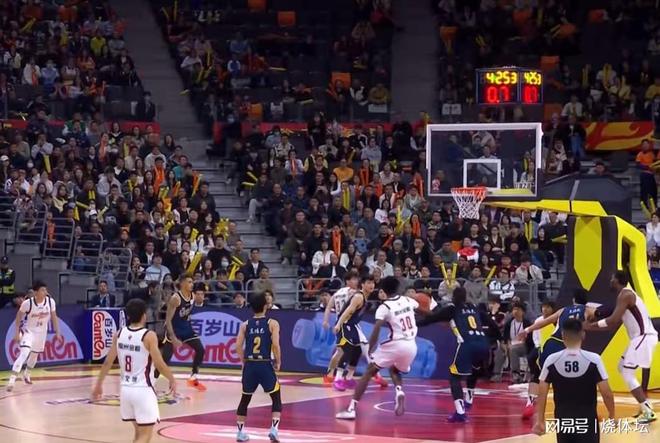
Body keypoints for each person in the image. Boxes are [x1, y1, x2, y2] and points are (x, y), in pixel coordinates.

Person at [92, 299, 177, 443]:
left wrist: (98, 385)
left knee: (139, 434)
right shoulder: (149, 335)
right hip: (143, 390)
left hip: (126, 391)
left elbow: (107, 362)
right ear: (144, 315)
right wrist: (172, 379)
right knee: (145, 436)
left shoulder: (119, 334)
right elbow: (159, 364)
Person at [336, 276, 418, 420]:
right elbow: (421, 309)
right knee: (395, 369)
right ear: (398, 288)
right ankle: (399, 391)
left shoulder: (384, 307)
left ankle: (351, 409)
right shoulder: (408, 300)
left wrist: (370, 348)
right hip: (412, 345)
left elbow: (377, 329)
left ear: (383, 290)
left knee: (368, 372)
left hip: (395, 344)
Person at [417, 286, 501, 422]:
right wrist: (498, 338)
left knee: (454, 377)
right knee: (474, 370)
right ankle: (469, 399)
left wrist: (414, 324)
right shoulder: (474, 308)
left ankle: (460, 412)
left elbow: (432, 319)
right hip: (483, 345)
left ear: (453, 298)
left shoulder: (452, 309)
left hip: (467, 344)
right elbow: (492, 323)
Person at [586, 271, 658, 424]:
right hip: (639, 338)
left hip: (643, 336)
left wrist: (590, 325)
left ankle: (648, 411)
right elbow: (613, 325)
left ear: (617, 280)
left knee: (627, 372)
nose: (610, 281)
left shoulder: (626, 294)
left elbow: (612, 320)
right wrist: (590, 327)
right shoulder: (623, 298)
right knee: (622, 367)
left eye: (612, 278)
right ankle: (646, 406)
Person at [533, 319, 615, 443]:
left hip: (563, 421)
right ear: (583, 335)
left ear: (562, 335)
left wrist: (540, 420)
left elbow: (542, 392)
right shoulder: (594, 359)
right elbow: (606, 392)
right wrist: (612, 415)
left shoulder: (551, 360)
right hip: (587, 421)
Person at [518, 289, 595, 417]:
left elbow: (544, 322)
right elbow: (600, 313)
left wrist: (527, 330)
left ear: (573, 299)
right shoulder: (587, 310)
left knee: (539, 376)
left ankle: (530, 403)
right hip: (567, 346)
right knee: (570, 379)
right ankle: (578, 410)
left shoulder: (563, 310)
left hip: (551, 343)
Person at [235, 292, 282, 443]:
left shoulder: (245, 324)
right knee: (276, 397)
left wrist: (243, 361)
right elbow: (276, 345)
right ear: (265, 306)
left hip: (250, 364)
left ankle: (240, 432)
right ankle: (274, 429)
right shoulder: (272, 323)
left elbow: (237, 346)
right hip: (264, 363)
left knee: (245, 398)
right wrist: (278, 361)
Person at [7, 281, 61, 391]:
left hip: (41, 332)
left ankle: (27, 374)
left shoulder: (50, 302)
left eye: (46, 290)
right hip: (29, 331)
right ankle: (12, 380)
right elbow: (18, 317)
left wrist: (57, 332)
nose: (46, 292)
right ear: (36, 292)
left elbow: (54, 317)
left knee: (34, 355)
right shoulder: (28, 303)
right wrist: (16, 333)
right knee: (24, 353)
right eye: (43, 290)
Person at [158, 275, 207, 391]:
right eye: (189, 282)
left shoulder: (192, 296)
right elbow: (168, 320)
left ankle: (193, 377)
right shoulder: (176, 298)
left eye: (192, 282)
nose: (192, 284)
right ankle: (152, 379)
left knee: (200, 349)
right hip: (174, 330)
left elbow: (195, 303)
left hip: (186, 329)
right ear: (182, 284)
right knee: (165, 359)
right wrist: (173, 337)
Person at [331, 273, 373, 391]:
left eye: (373, 283)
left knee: (357, 351)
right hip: (344, 324)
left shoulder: (365, 297)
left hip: (352, 325)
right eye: (368, 283)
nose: (371, 285)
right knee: (347, 350)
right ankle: (337, 379)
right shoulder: (359, 296)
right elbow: (348, 311)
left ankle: (348, 378)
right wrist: (338, 324)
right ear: (362, 285)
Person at [523, 300, 556, 420]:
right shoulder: (538, 321)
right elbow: (536, 338)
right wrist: (539, 348)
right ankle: (530, 402)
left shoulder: (557, 321)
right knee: (533, 363)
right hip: (541, 350)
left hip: (555, 351)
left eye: (548, 307)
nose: (545, 309)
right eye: (543, 307)